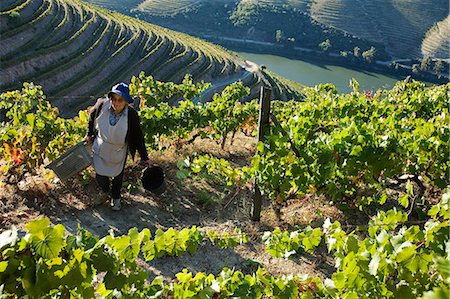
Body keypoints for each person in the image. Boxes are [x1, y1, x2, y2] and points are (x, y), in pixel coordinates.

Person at [85, 82, 151, 210]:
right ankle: (105, 191)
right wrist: (89, 134)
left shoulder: (131, 115)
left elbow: (138, 137)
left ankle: (116, 198)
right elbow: (92, 116)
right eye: (113, 99)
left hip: (118, 150)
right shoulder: (101, 105)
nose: (116, 103)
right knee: (100, 174)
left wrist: (144, 157)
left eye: (120, 100)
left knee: (117, 176)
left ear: (126, 101)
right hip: (101, 146)